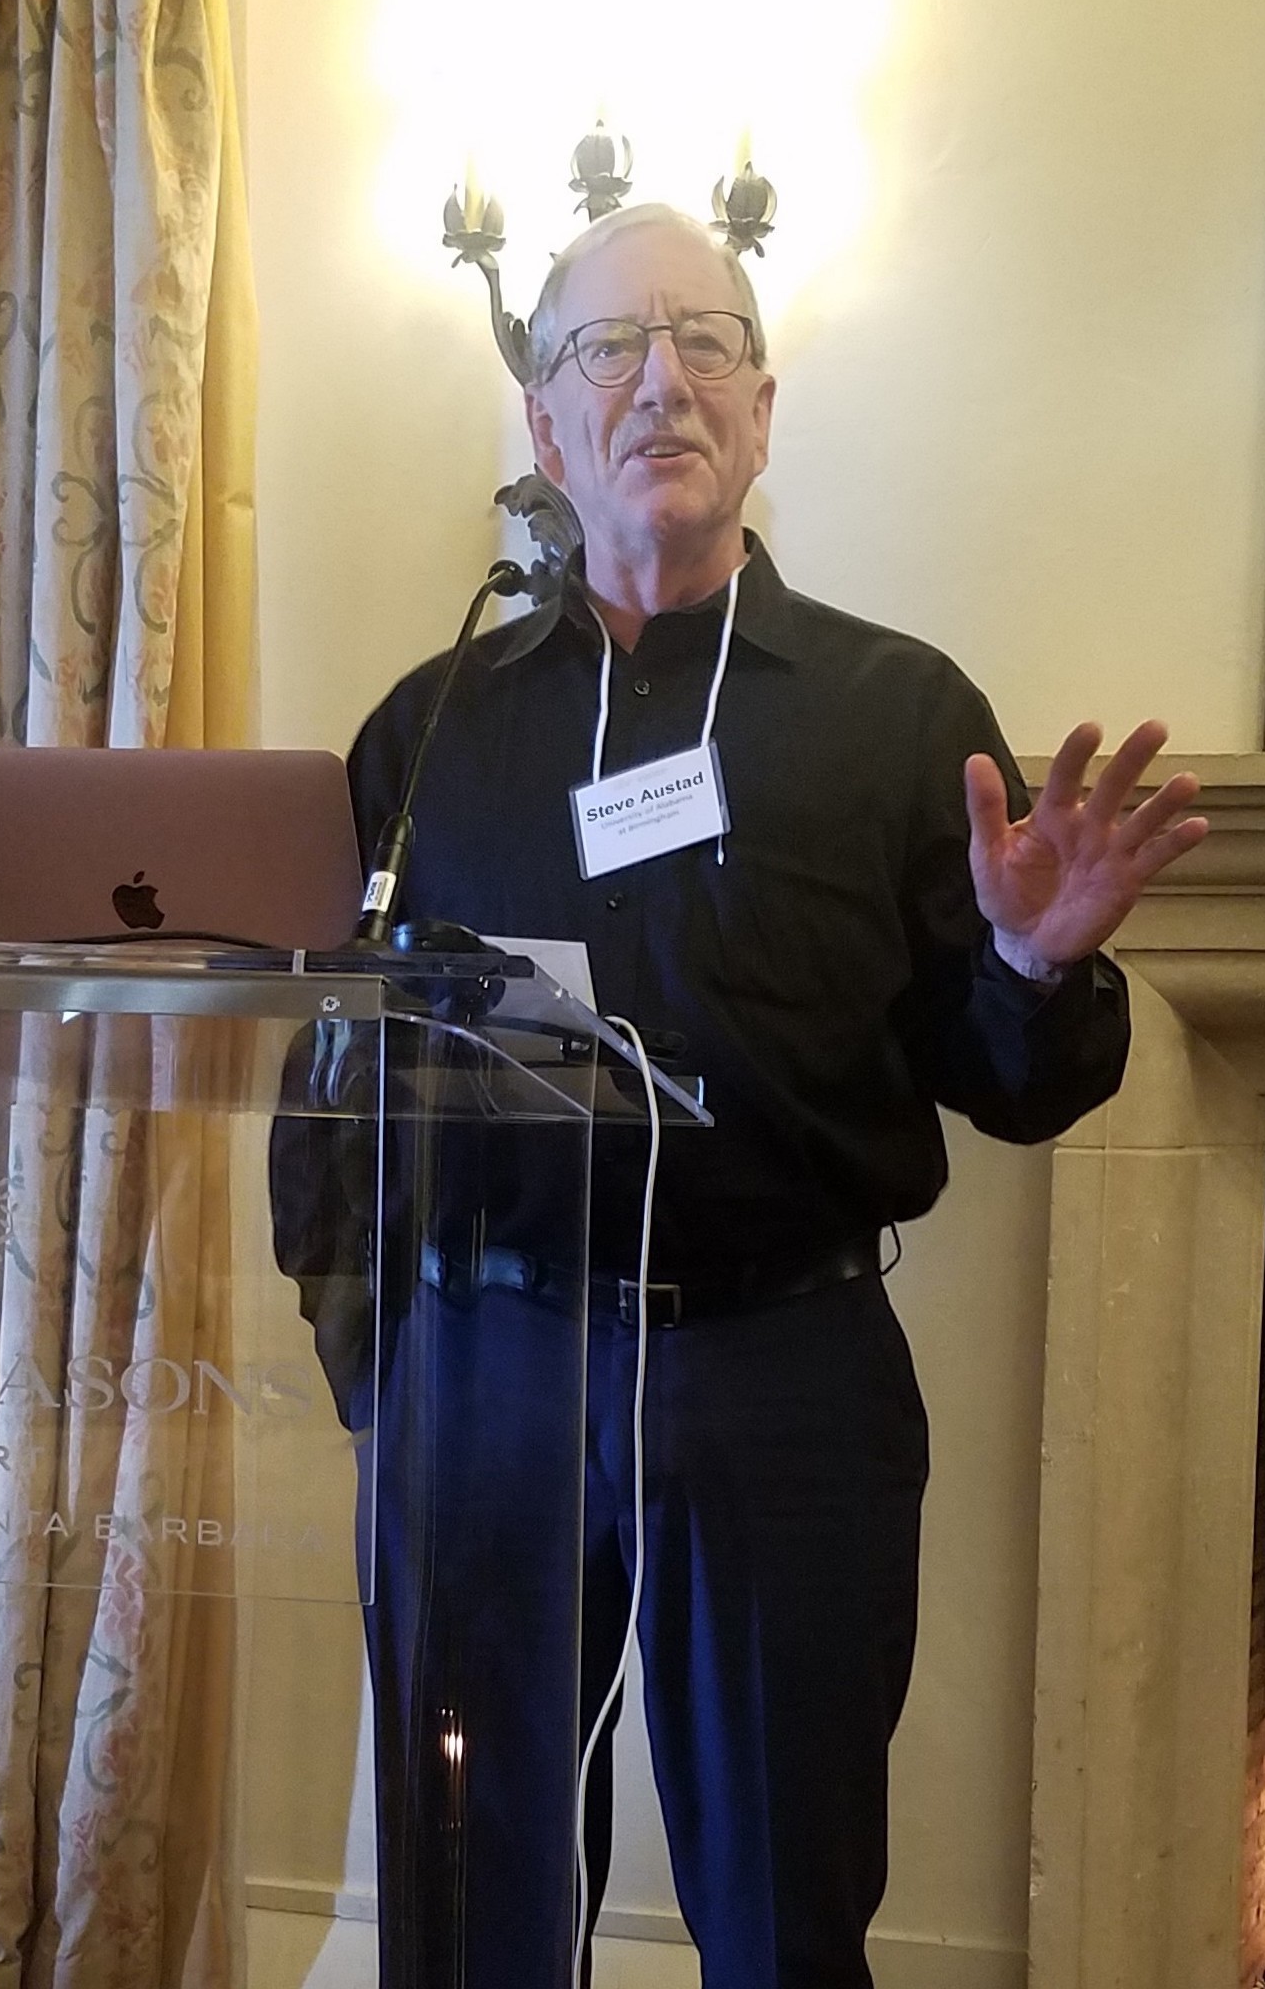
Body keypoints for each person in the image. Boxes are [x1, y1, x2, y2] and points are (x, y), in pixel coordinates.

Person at [337, 202, 1207, 1988]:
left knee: (786, 1908)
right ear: (546, 423)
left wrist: (1034, 966)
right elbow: (338, 1067)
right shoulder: (429, 731)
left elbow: (1005, 1086)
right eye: (608, 348)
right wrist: (374, 1359)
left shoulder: (901, 717)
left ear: (762, 405)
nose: (661, 381)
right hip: (487, 1378)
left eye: (706, 341)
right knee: (467, 1896)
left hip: (783, 1377)